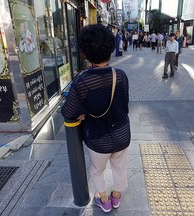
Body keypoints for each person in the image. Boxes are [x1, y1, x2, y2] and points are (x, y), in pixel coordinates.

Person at [61, 24, 130, 213]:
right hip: (122, 134)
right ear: (110, 49)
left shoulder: (82, 81)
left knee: (97, 171)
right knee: (120, 167)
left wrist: (84, 112)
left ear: (85, 53)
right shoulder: (121, 76)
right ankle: (116, 198)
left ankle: (104, 200)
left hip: (98, 139)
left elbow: (68, 113)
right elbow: (124, 106)